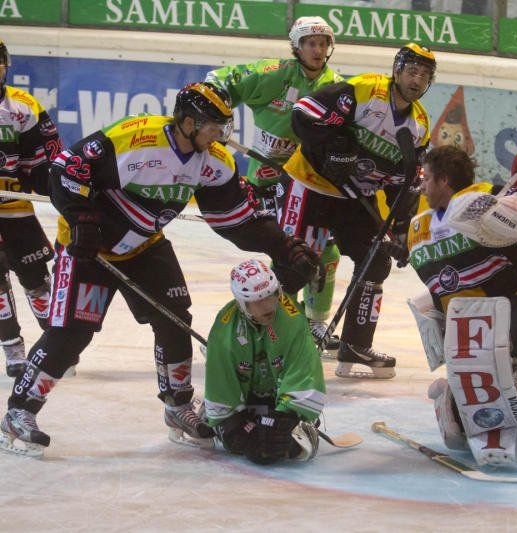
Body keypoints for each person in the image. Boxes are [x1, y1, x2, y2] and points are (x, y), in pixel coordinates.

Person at [0, 82, 319, 457]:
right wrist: (81, 219)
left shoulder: (214, 162)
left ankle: (178, 406)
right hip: (89, 249)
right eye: (213, 127)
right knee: (71, 333)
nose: (220, 136)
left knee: (175, 321)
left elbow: (237, 219)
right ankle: (18, 413)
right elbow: (65, 171)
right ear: (189, 123)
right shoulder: (135, 138)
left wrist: (283, 246)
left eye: (224, 127)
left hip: (145, 246)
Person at [283, 43, 436, 379]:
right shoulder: (365, 90)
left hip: (355, 197)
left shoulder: (420, 125)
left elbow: (406, 182)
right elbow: (303, 113)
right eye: (412, 71)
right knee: (295, 263)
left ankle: (355, 345)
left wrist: (400, 229)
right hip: (311, 184)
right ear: (397, 71)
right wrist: (335, 147)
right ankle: (266, 336)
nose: (417, 80)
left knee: (376, 260)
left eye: (424, 75)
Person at [407, 145, 517, 466]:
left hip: (514, 301)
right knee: (477, 364)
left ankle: (497, 393)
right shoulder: (419, 226)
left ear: (445, 180)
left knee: (506, 350)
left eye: (427, 179)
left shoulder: (484, 198)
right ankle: (474, 395)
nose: (422, 186)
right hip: (468, 320)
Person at [205, 17, 344, 354]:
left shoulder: (337, 86)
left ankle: (314, 322)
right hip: (266, 185)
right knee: (289, 252)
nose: (317, 50)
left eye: (323, 43)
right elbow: (217, 82)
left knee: (327, 253)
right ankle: (258, 323)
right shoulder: (273, 74)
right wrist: (215, 118)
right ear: (297, 46)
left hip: (309, 185)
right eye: (310, 43)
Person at [204, 258, 325, 464]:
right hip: (244, 403)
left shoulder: (293, 320)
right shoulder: (224, 331)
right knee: (240, 443)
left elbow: (303, 375)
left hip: (278, 402)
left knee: (288, 446)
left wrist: (284, 419)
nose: (269, 306)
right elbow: (220, 388)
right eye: (258, 301)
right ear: (242, 304)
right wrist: (240, 432)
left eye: (272, 295)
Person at [0, 40, 61, 377]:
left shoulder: (23, 107)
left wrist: (58, 190)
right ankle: (13, 350)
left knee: (36, 277)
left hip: (15, 208)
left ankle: (55, 344)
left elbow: (43, 162)